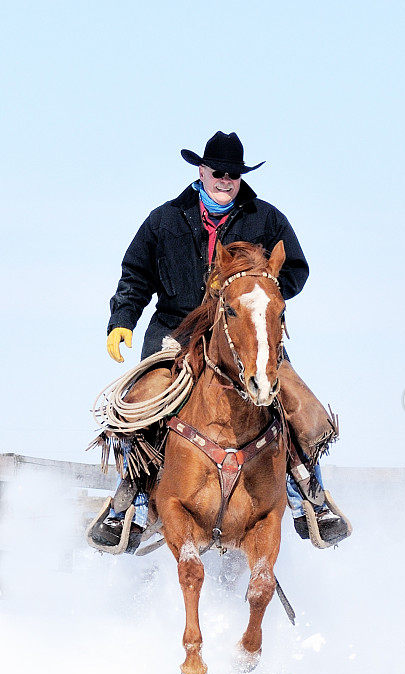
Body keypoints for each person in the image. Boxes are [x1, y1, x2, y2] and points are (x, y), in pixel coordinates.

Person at [94, 131, 350, 549]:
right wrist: (122, 318)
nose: (225, 180)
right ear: (202, 171)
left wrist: (257, 290)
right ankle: (132, 501)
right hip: (177, 330)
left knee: (300, 404)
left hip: (244, 334)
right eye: (218, 172)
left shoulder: (265, 218)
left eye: (233, 174)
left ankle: (310, 495)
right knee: (141, 402)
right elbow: (135, 273)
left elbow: (297, 270)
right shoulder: (166, 219)